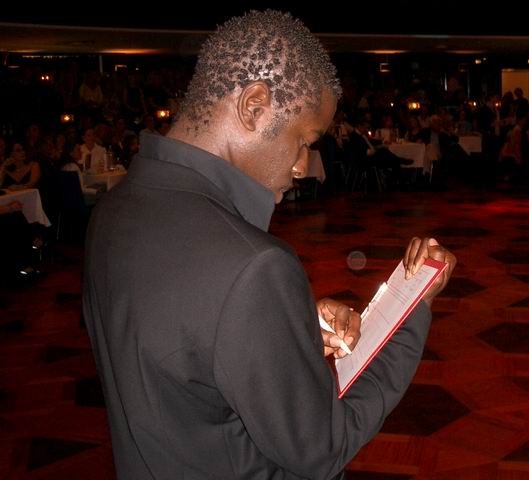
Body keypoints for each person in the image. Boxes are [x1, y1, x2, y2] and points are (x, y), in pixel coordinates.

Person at [83, 10, 455, 480]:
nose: (301, 166)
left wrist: (283, 323)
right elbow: (322, 448)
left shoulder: (115, 209)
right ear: (254, 106)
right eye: (304, 140)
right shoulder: (253, 265)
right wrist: (416, 308)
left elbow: (182, 342)